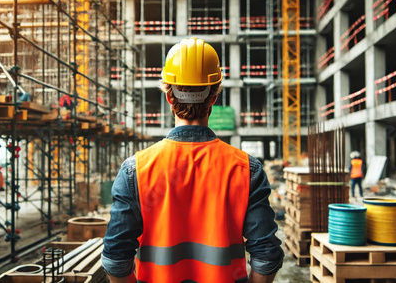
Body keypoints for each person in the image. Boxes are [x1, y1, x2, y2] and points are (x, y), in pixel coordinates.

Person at [102, 37, 284, 283]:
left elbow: (116, 258)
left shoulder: (136, 170)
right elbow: (267, 255)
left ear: (169, 97)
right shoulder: (245, 170)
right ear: (214, 96)